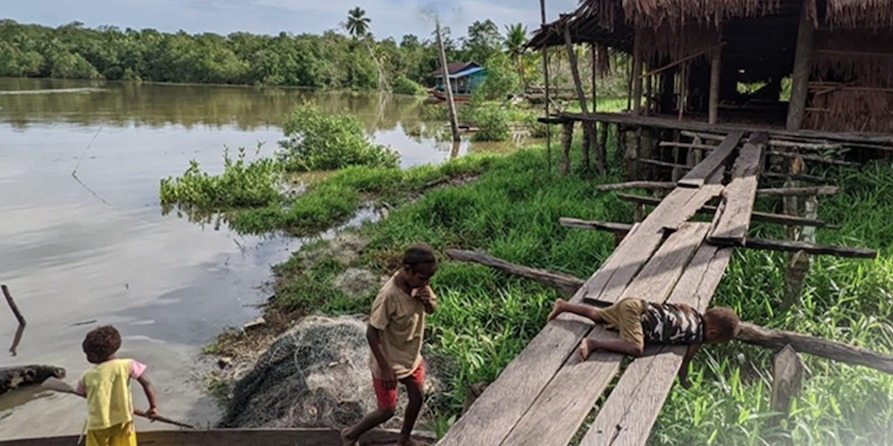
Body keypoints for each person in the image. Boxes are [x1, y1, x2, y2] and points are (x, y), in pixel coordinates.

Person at [342, 243, 438, 446]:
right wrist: (385, 368)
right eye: (422, 279)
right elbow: (371, 333)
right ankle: (350, 434)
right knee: (387, 410)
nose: (426, 283)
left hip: (411, 358)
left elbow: (431, 309)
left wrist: (428, 300)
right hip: (388, 362)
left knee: (417, 397)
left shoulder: (419, 285)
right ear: (407, 270)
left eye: (429, 279)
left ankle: (404, 439)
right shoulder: (388, 296)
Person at [547, 297, 740, 388]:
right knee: (636, 348)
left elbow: (674, 308)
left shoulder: (691, 311)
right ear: (713, 333)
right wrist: (684, 381)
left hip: (635, 303)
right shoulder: (697, 337)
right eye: (715, 341)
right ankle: (593, 343)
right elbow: (685, 363)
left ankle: (564, 306)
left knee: (598, 315)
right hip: (636, 317)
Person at [76, 326, 159, 446]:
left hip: (98, 425)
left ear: (93, 356)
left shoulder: (87, 376)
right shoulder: (128, 365)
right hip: (123, 421)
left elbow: (82, 393)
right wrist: (153, 407)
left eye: (87, 354)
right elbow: (147, 384)